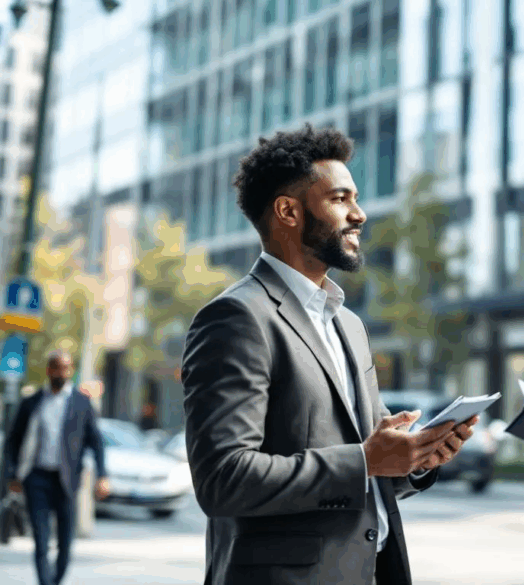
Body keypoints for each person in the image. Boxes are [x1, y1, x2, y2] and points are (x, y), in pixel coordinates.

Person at [181, 124, 478, 585]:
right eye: (341, 199)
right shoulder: (237, 319)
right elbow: (224, 478)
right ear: (288, 211)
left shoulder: (349, 324)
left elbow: (372, 467)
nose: (359, 214)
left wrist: (417, 459)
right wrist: (365, 460)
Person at [2, 350, 110, 585]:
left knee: (65, 542)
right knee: (41, 540)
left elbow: (96, 442)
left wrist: (102, 476)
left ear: (71, 370)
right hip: (36, 478)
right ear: (49, 370)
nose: (62, 372)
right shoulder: (32, 403)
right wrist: (11, 474)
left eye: (67, 368)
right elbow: (13, 441)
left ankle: (55, 580)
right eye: (57, 367)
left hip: (68, 480)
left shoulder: (81, 403)